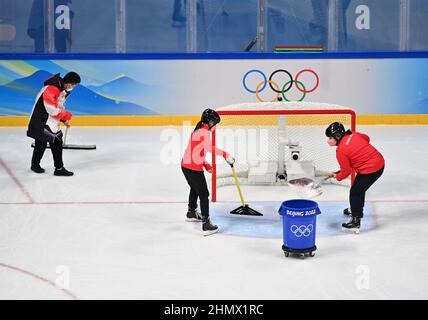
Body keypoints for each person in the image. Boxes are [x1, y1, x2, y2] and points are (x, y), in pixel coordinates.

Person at [181, 109, 235, 236]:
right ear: (211, 122)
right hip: (193, 168)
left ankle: (192, 212)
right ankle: (206, 224)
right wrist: (225, 154)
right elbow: (209, 148)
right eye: (215, 124)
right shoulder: (204, 133)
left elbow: (194, 151)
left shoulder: (197, 130)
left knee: (194, 188)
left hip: (185, 165)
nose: (215, 127)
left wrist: (205, 164)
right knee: (204, 194)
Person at [325, 122, 384, 232]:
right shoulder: (353, 134)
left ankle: (355, 220)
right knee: (360, 190)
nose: (328, 140)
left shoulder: (340, 151)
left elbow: (346, 172)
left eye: (330, 137)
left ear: (337, 136)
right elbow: (367, 138)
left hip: (371, 169)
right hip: (379, 162)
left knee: (355, 192)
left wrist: (337, 177)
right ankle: (355, 210)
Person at [27, 72, 81, 176]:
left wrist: (64, 120)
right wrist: (66, 116)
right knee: (42, 144)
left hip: (49, 122)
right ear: (70, 83)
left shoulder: (60, 89)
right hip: (41, 121)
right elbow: (51, 109)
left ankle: (57, 167)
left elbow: (59, 106)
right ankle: (37, 165)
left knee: (55, 142)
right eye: (74, 85)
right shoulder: (52, 88)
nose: (73, 87)